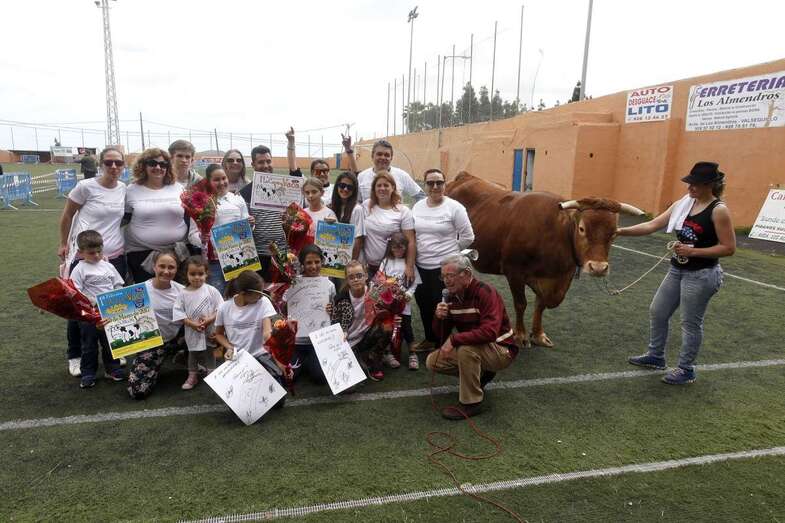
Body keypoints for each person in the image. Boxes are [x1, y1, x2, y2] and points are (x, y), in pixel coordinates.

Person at [617, 161, 736, 385]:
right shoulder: (684, 203)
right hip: (678, 269)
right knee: (658, 311)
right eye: (689, 183)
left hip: (701, 274)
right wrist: (620, 231)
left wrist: (695, 251)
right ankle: (656, 356)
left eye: (695, 184)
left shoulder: (718, 211)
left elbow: (728, 248)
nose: (690, 188)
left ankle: (686, 369)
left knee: (690, 323)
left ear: (710, 185)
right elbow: (652, 225)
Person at [58, 146, 127, 377]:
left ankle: (114, 352)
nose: (114, 167)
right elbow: (67, 215)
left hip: (113, 255)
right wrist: (64, 244)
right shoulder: (85, 187)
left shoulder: (123, 188)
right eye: (109, 162)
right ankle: (75, 355)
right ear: (101, 164)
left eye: (118, 162)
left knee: (113, 305)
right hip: (83, 255)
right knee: (78, 309)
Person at [427, 253, 518, 420]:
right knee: (433, 361)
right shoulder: (451, 298)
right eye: (443, 276)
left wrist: (455, 339)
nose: (446, 281)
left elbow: (490, 332)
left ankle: (472, 403)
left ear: (467, 274)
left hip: (501, 349)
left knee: (466, 350)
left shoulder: (486, 292)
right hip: (478, 347)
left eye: (451, 275)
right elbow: (440, 335)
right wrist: (439, 318)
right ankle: (482, 375)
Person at [411, 168, 475, 354]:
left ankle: (446, 343)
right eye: (430, 183)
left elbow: (468, 236)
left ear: (445, 185)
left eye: (439, 182)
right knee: (424, 305)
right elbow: (415, 234)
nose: (435, 186)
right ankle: (431, 339)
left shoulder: (455, 207)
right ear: (425, 185)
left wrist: (450, 255)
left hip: (445, 270)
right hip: (421, 266)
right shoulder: (418, 206)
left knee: (445, 306)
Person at [124, 148, 198, 283]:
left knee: (178, 294)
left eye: (163, 164)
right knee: (148, 297)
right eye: (152, 163)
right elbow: (123, 219)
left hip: (177, 252)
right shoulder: (131, 190)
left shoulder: (178, 188)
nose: (158, 167)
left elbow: (191, 216)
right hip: (141, 255)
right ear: (143, 165)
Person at [214, 270, 288, 403]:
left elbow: (266, 334)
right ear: (243, 294)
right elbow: (218, 334)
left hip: (261, 355)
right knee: (238, 404)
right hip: (238, 358)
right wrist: (229, 347)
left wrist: (279, 359)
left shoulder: (263, 302)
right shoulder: (224, 308)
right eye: (258, 294)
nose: (261, 296)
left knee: (278, 401)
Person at [69, 230, 126, 389]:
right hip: (89, 315)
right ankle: (88, 373)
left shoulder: (108, 266)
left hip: (110, 312)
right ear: (81, 252)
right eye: (91, 252)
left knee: (110, 342)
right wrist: (95, 301)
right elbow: (76, 292)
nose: (96, 255)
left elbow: (118, 284)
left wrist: (117, 296)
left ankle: (113, 369)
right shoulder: (79, 269)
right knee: (89, 344)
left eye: (99, 251)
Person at [239, 141, 302, 281]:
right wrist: (247, 222)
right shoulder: (244, 193)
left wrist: (291, 143)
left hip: (285, 252)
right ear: (253, 165)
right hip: (259, 254)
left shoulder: (284, 186)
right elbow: (242, 224)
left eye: (268, 161)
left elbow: (296, 174)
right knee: (265, 292)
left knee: (285, 290)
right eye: (261, 162)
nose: (266, 165)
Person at [127, 250, 185, 399]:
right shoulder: (139, 291)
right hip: (153, 343)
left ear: (177, 269)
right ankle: (160, 360)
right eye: (162, 266)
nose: (166, 271)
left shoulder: (183, 291)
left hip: (179, 338)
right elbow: (123, 320)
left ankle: (187, 356)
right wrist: (106, 324)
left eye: (171, 267)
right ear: (154, 267)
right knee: (137, 391)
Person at [331, 260, 392, 381]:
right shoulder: (341, 298)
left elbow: (388, 307)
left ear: (366, 276)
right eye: (351, 277)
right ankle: (359, 356)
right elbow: (334, 323)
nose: (356, 279)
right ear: (347, 280)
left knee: (387, 327)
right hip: (348, 341)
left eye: (359, 276)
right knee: (349, 377)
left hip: (367, 336)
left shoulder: (374, 292)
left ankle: (373, 357)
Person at [283, 244, 336, 385]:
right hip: (297, 343)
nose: (313, 266)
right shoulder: (293, 283)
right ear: (302, 264)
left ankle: (310, 361)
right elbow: (282, 308)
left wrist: (332, 310)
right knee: (289, 379)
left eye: (317, 262)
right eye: (309, 263)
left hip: (318, 342)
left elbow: (334, 313)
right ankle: (303, 361)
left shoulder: (329, 285)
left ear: (322, 262)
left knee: (320, 378)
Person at [172, 255, 224, 390]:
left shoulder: (211, 290)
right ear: (186, 274)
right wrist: (191, 324)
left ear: (206, 274)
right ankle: (192, 376)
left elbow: (221, 308)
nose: (197, 277)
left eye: (200, 274)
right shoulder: (183, 294)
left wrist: (210, 319)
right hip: (192, 330)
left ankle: (212, 373)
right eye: (193, 274)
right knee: (193, 353)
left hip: (209, 328)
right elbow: (178, 313)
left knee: (209, 351)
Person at [204, 163, 252, 294]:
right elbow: (193, 234)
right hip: (215, 260)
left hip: (239, 256)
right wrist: (203, 239)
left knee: (239, 295)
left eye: (224, 178)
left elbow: (246, 225)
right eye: (216, 180)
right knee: (218, 297)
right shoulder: (202, 203)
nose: (221, 182)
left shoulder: (237, 199)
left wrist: (250, 223)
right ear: (208, 181)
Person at [377, 232, 421, 370]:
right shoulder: (385, 262)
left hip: (404, 305)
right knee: (388, 328)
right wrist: (386, 293)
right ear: (390, 247)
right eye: (395, 248)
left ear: (406, 248)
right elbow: (380, 280)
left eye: (402, 248)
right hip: (388, 305)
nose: (398, 251)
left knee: (407, 329)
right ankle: (388, 353)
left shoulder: (409, 263)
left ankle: (413, 354)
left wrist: (408, 293)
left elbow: (415, 282)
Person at [362, 171, 416, 282]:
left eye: (386, 185)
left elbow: (411, 241)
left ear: (393, 188)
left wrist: (409, 266)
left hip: (392, 267)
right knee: (369, 298)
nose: (382, 188)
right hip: (369, 266)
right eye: (379, 185)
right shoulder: (366, 205)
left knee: (390, 298)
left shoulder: (403, 211)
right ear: (374, 188)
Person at [357, 139, 425, 202]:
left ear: (391, 158)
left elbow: (420, 195)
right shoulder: (362, 176)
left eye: (387, 155)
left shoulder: (402, 175)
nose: (383, 157)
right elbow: (358, 201)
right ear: (372, 156)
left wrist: (414, 212)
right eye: (379, 154)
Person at [329, 170, 365, 260]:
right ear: (337, 186)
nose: (345, 189)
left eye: (350, 187)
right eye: (342, 185)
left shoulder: (357, 209)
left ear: (354, 190)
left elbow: (359, 239)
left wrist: (352, 261)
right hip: (334, 258)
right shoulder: (331, 207)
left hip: (351, 258)